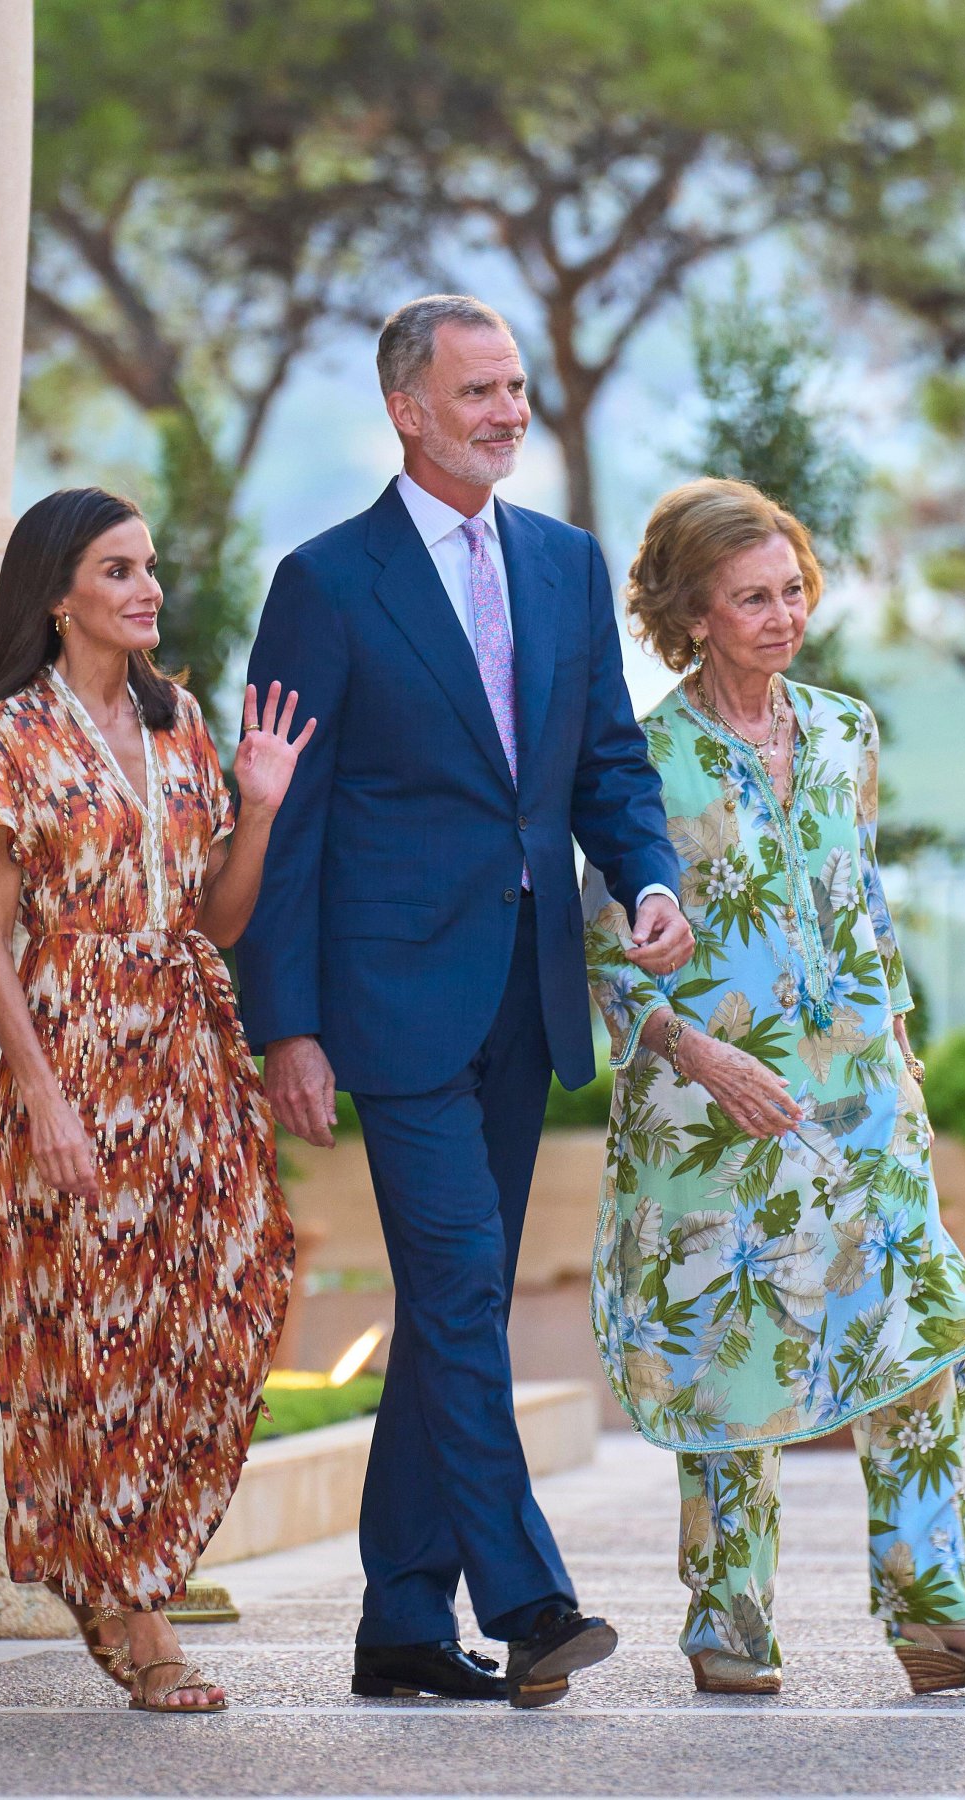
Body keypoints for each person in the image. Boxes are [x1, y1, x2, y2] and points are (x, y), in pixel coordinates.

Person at [237, 294, 693, 1707]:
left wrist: (650, 873)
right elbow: (289, 819)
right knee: (448, 1284)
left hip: (527, 986)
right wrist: (289, 1024)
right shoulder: (326, 582)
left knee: (466, 1299)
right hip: (389, 1000)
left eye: (516, 389)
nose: (507, 411)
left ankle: (398, 1623)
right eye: (479, 390)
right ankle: (531, 1596)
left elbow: (604, 762)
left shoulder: (564, 566)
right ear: (408, 409)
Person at [584, 475, 965, 1697]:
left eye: (793, 590)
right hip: (707, 1111)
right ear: (691, 615)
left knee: (919, 1340)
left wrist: (898, 1055)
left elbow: (860, 904)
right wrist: (699, 1053)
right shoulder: (641, 758)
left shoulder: (847, 729)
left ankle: (935, 1614)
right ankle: (728, 1622)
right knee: (733, 1352)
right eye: (751, 599)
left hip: (858, 1100)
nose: (783, 616)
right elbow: (604, 956)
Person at [0, 488, 306, 1714]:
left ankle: (130, 1556)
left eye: (149, 567)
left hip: (187, 1049)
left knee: (221, 1299)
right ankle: (134, 1609)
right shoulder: (11, 738)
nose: (147, 588)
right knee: (90, 1329)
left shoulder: (180, 724)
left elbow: (216, 920)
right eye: (118, 570)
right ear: (58, 595)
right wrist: (40, 1092)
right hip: (75, 1058)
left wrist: (257, 807)